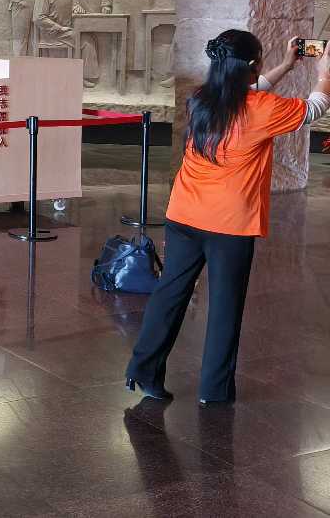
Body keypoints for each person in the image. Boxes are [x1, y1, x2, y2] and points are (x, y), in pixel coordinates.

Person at [125, 30, 330, 404]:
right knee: (224, 306)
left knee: (169, 294)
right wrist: (325, 73)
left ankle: (143, 370)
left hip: (184, 214)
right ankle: (214, 391)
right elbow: (314, 108)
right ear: (252, 66)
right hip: (229, 225)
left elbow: (246, 92)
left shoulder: (202, 99)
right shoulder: (262, 109)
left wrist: (286, 65)